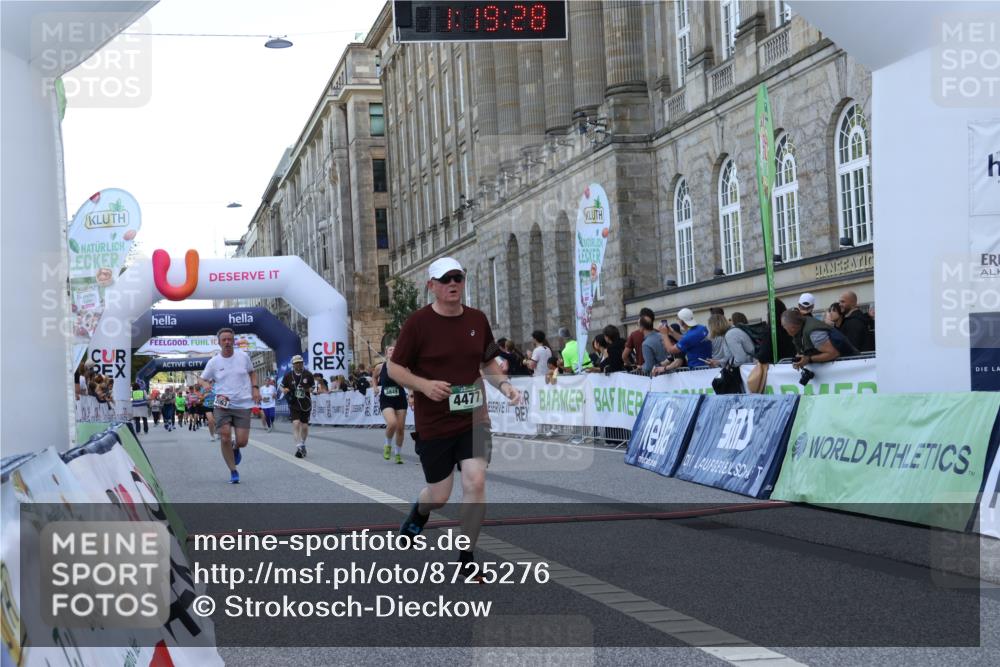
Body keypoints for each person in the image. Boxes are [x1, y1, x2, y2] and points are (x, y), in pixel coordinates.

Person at [388, 256, 520, 578]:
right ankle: (419, 514)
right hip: (434, 422)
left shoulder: (477, 319)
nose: (452, 284)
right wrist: (424, 386)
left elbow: (487, 362)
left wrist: (503, 384)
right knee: (439, 496)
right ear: (431, 285)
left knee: (475, 481)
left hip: (474, 417)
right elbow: (394, 368)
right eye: (445, 279)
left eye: (458, 278)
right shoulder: (418, 324)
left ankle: (467, 557)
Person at [200, 328, 260, 484]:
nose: (227, 342)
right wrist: (206, 384)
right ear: (219, 342)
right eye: (224, 340)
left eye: (229, 339)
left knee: (242, 441)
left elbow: (252, 372)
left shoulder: (243, 357)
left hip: (243, 403)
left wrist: (255, 389)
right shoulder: (214, 362)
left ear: (233, 341)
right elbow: (202, 379)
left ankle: (236, 447)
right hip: (222, 404)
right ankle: (233, 471)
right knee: (225, 436)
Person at [781, 309, 859, 370]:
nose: (783, 328)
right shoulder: (800, 328)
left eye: (784, 326)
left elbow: (833, 353)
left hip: (851, 367)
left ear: (792, 327)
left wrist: (809, 359)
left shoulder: (814, 333)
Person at [373, 344, 408, 464]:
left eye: (395, 350)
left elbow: (410, 379)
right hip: (386, 399)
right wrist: (375, 387)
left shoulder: (402, 367)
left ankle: (398, 454)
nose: (392, 351)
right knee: (392, 423)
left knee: (400, 429)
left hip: (400, 398)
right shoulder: (380, 367)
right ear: (386, 353)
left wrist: (412, 395)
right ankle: (387, 445)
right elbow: (374, 377)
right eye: (390, 350)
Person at [281, 354, 315, 458]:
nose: (298, 365)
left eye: (300, 362)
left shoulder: (308, 374)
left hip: (305, 402)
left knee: (304, 426)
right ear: (293, 364)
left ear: (302, 363)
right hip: (294, 403)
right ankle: (298, 445)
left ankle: (303, 443)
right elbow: (282, 387)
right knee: (296, 423)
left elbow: (313, 387)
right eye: (296, 363)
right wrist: (285, 390)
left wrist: (308, 390)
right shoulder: (288, 376)